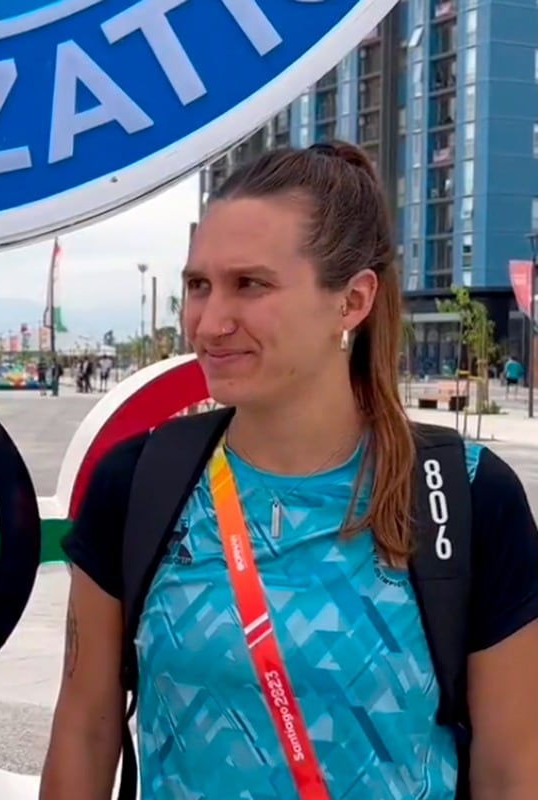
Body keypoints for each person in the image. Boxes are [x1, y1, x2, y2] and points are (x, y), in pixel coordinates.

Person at [41, 142, 538, 799]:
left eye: (251, 284)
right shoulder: (139, 485)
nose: (210, 323)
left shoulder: (465, 497)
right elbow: (85, 730)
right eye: (198, 286)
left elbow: (510, 770)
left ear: (352, 301)